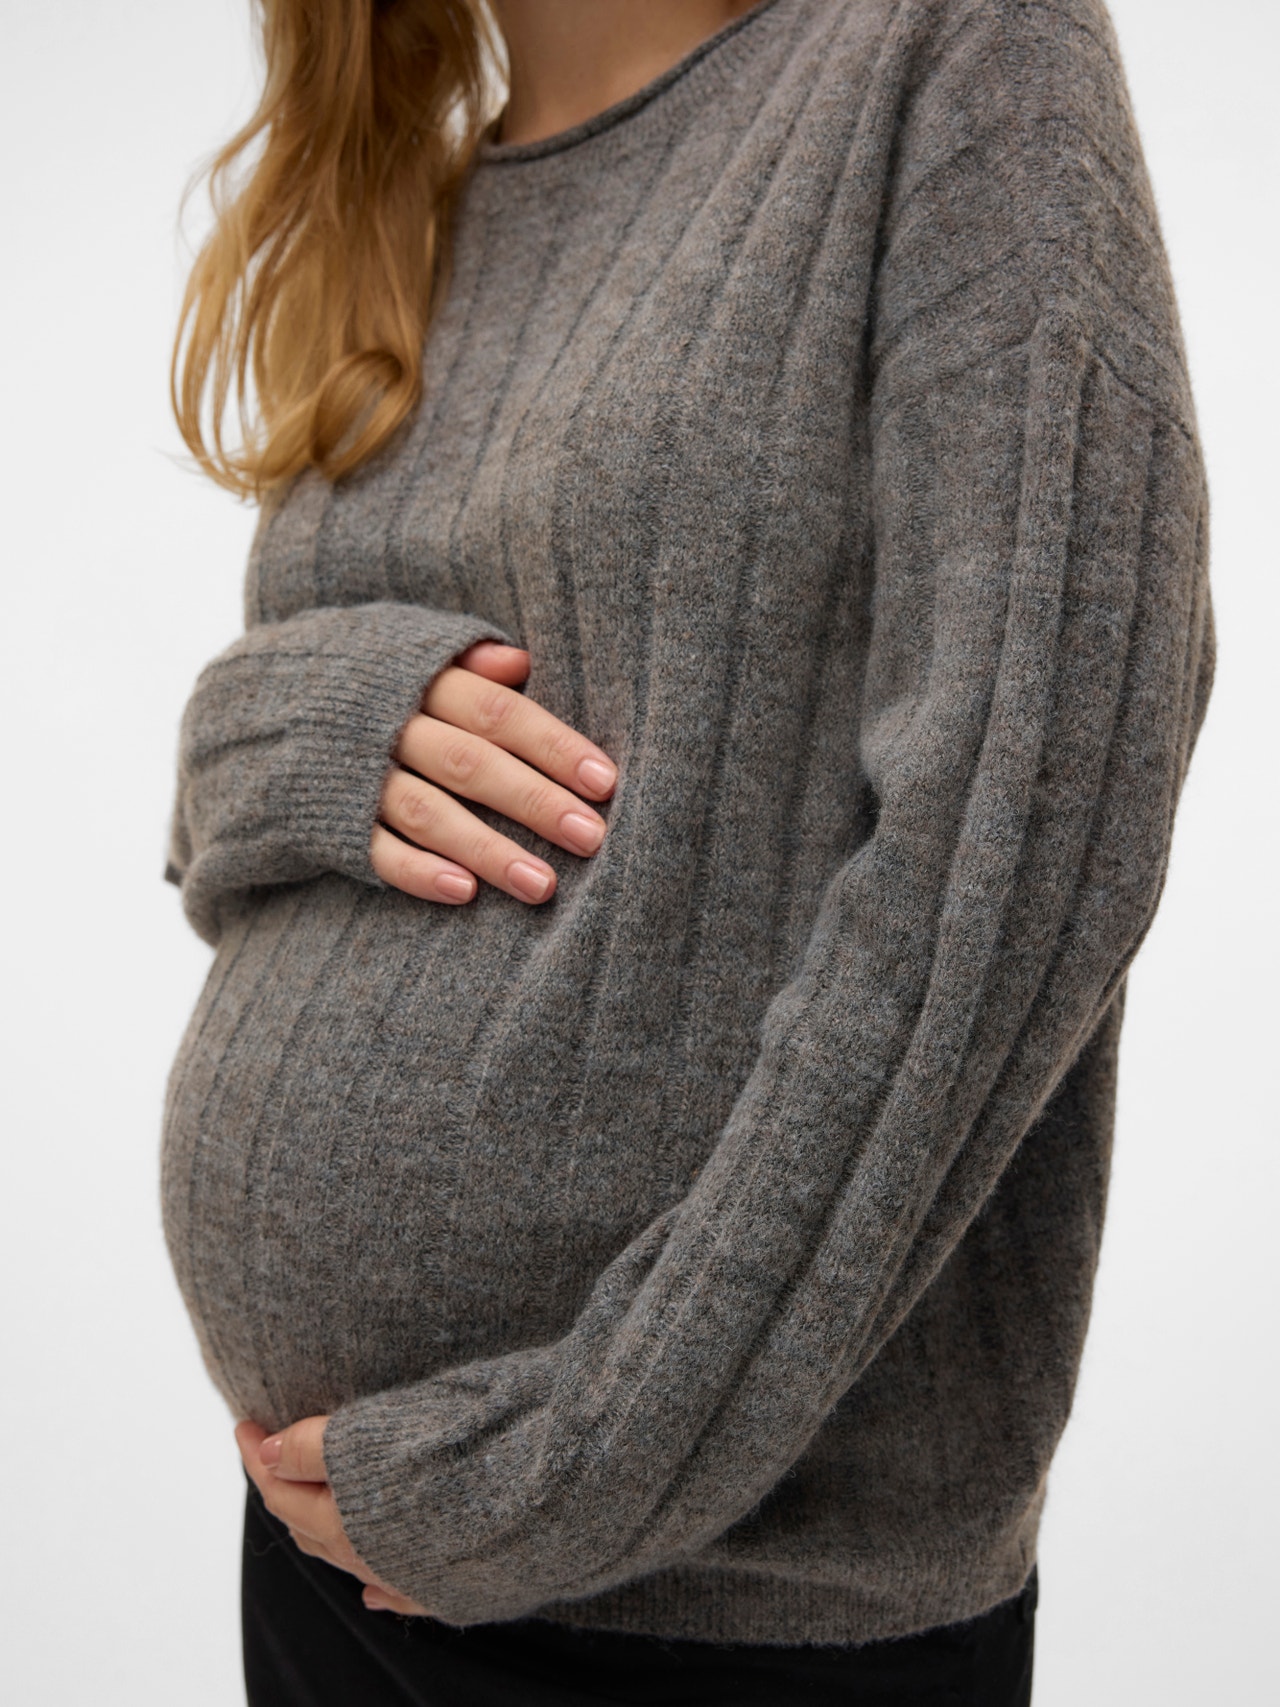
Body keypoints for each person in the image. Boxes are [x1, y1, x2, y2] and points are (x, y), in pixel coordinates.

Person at [160, 0, 1214, 1701]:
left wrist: (582, 1465)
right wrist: (275, 732)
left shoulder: (952, 49)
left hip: (716, 1602)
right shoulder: (412, 193)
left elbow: (1040, 804)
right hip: (337, 1550)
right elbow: (269, 822)